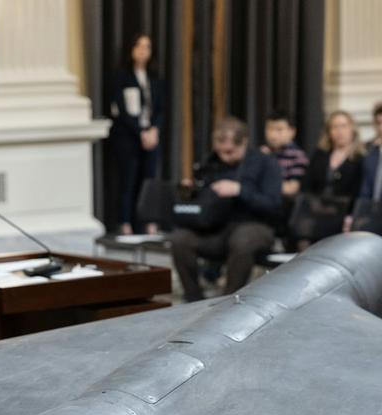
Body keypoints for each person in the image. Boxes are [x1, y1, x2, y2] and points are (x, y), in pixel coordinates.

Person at [171, 116, 281, 301]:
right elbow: (202, 200)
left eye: (230, 152)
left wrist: (239, 190)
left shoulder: (266, 163)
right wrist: (191, 191)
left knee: (242, 239)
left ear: (244, 142)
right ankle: (193, 299)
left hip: (255, 225)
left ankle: (227, 302)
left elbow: (272, 205)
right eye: (221, 152)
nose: (224, 157)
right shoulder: (212, 162)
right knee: (180, 239)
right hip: (216, 228)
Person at [109, 33, 165, 234]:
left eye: (147, 47)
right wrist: (140, 131)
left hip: (150, 135)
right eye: (139, 46)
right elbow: (121, 110)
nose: (143, 51)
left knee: (149, 180)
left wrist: (154, 129)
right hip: (128, 136)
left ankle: (150, 222)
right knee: (129, 180)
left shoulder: (154, 77)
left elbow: (159, 109)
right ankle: (125, 223)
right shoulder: (122, 76)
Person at [303, 110, 364, 199]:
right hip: (316, 208)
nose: (339, 131)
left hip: (346, 210)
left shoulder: (360, 158)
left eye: (344, 126)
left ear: (352, 129)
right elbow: (306, 185)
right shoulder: (320, 154)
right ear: (329, 132)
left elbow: (359, 192)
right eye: (334, 127)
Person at [262, 109, 309, 201]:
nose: (273, 134)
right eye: (270, 128)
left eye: (279, 129)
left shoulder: (298, 156)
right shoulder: (261, 153)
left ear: (292, 131)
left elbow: (291, 189)